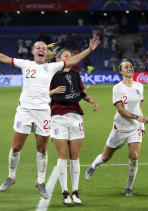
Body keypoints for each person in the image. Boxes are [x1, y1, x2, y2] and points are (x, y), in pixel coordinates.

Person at [0, 36, 100, 199]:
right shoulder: (25, 64)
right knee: (16, 147)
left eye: (44, 48)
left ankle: (40, 181)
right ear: (33, 51)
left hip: (43, 113)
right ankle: (11, 176)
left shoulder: (52, 67)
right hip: (24, 111)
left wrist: (89, 50)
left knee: (42, 149)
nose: (41, 50)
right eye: (38, 48)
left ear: (47, 54)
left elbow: (71, 61)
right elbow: (4, 58)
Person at [84, 59, 148, 197]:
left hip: (135, 127)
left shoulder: (140, 86)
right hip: (120, 127)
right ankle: (93, 166)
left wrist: (141, 123)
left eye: (131, 66)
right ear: (121, 71)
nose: (129, 68)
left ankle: (128, 188)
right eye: (126, 67)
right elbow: (120, 110)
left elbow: (139, 107)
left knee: (134, 156)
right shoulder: (117, 88)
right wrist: (138, 118)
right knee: (106, 157)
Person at [49, 49, 99, 204]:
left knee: (75, 156)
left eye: (70, 56)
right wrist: (54, 91)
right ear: (58, 60)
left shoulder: (76, 75)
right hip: (58, 117)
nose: (69, 58)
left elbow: (82, 93)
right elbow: (41, 93)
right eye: (66, 56)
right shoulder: (52, 75)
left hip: (76, 116)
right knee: (62, 156)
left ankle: (75, 192)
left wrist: (92, 101)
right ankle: (65, 193)